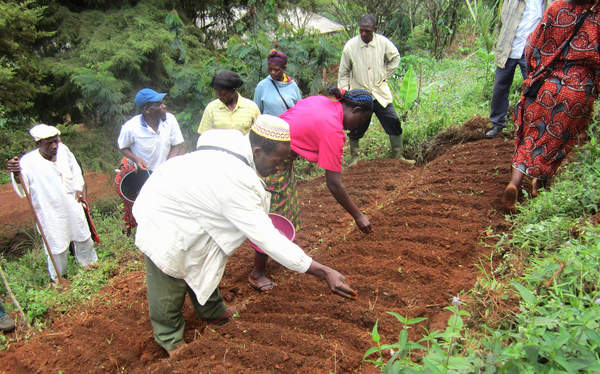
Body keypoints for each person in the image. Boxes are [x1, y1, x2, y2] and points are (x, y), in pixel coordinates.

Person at [132, 115, 357, 356]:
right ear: (258, 151)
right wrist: (325, 272)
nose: (280, 167)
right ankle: (170, 339)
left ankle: (212, 310)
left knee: (201, 260)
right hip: (164, 214)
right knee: (171, 271)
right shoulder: (236, 179)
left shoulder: (240, 150)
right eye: (278, 160)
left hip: (193, 210)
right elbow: (267, 239)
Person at [249, 88, 374, 291]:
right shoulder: (333, 129)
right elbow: (334, 182)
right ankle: (257, 273)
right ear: (356, 110)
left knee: (288, 209)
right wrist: (358, 216)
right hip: (270, 158)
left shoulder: (321, 101)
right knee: (275, 214)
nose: (353, 129)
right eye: (359, 122)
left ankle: (280, 252)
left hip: (271, 147)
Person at [502, 0, 600, 210]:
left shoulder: (557, 8)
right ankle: (540, 184)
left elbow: (532, 46)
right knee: (560, 139)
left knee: (530, 136)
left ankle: (514, 183)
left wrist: (535, 75)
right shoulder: (597, 15)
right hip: (579, 89)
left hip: (548, 83)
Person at [7, 124, 98, 281]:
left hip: (72, 204)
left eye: (56, 141)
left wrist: (79, 188)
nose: (54, 146)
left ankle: (91, 268)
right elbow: (23, 189)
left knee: (83, 237)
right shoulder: (27, 163)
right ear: (38, 144)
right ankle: (59, 278)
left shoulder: (64, 151)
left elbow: (75, 170)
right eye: (49, 143)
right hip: (49, 211)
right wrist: (16, 174)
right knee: (56, 246)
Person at [338, 14, 414, 165]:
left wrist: (385, 75)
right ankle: (354, 158)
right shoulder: (350, 47)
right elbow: (343, 73)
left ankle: (398, 155)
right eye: (361, 31)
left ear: (374, 29)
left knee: (393, 121)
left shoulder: (383, 43)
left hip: (380, 92)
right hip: (358, 94)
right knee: (356, 126)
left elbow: (395, 58)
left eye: (367, 31)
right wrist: (345, 94)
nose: (364, 34)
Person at [116, 88, 184, 233]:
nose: (164, 106)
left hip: (165, 173)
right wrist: (136, 158)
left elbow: (177, 145)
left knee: (167, 207)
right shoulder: (131, 127)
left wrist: (168, 165)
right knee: (145, 209)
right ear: (147, 109)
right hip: (142, 174)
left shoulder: (170, 120)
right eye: (159, 104)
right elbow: (123, 147)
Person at [486, 0, 553, 138]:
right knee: (500, 87)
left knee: (533, 89)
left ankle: (534, 125)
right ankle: (497, 123)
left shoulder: (546, 3)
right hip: (508, 49)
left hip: (531, 52)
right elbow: (504, 17)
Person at [197, 70, 260, 137]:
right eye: (217, 94)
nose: (220, 97)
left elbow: (259, 136)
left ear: (233, 90)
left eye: (223, 94)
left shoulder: (251, 107)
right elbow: (203, 135)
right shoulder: (211, 108)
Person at [253, 50, 302, 116]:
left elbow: (299, 111)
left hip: (289, 125)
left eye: (276, 70)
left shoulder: (292, 86)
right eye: (270, 69)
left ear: (284, 68)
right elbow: (256, 113)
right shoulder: (262, 86)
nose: (272, 72)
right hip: (268, 126)